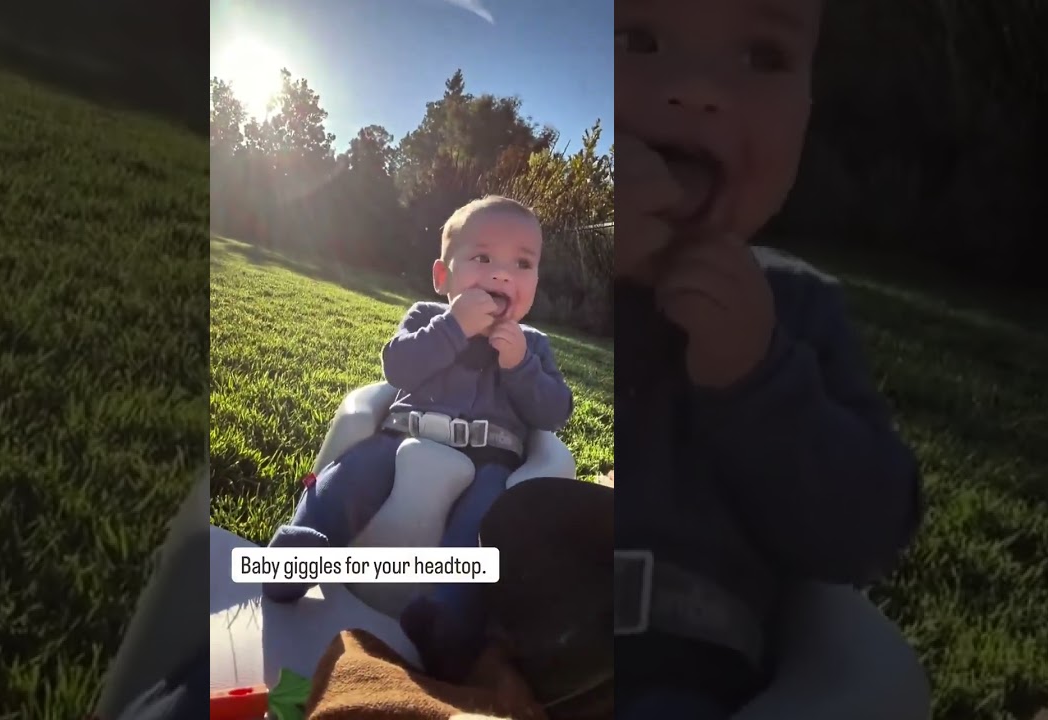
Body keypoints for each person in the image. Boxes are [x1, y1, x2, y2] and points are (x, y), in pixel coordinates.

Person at [613, 0, 924, 718]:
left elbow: (864, 536)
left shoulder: (795, 309)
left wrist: (759, 379)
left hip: (678, 678)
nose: (699, 90)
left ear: (809, 108)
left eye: (762, 57)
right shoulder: (535, 261)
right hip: (490, 620)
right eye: (638, 39)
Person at [262, 194, 575, 681]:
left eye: (522, 263)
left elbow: (553, 413)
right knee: (349, 476)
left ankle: (447, 611)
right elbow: (398, 366)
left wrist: (521, 367)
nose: (501, 275)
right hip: (401, 435)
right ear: (443, 276)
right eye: (483, 258)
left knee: (481, 525)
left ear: (535, 282)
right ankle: (303, 547)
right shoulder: (427, 316)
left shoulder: (533, 345)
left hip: (490, 461)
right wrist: (453, 328)